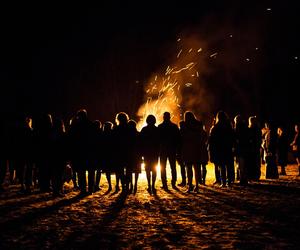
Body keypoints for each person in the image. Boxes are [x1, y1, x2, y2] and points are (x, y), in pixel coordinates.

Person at [180, 111, 208, 193]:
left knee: (189, 168)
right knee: (196, 168)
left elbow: (182, 137)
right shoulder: (199, 125)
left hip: (188, 149)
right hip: (197, 149)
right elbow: (203, 136)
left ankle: (190, 186)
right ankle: (196, 186)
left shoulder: (184, 125)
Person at [208, 111, 235, 187]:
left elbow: (212, 140)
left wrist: (212, 149)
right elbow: (232, 137)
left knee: (222, 166)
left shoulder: (215, 127)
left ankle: (223, 182)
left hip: (219, 149)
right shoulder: (229, 126)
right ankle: (229, 182)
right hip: (227, 148)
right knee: (228, 165)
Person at [158, 112, 180, 190]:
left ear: (163, 117)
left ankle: (164, 183)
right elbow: (178, 139)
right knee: (173, 167)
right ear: (169, 117)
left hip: (163, 150)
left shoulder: (160, 127)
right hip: (172, 149)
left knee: (162, 167)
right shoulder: (174, 126)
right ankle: (173, 183)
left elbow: (158, 140)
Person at [140, 115, 160, 194]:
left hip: (146, 153)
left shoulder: (144, 129)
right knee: (154, 169)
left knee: (148, 169)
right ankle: (153, 185)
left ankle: (149, 185)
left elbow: (141, 141)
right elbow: (159, 141)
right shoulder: (157, 129)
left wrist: (141, 152)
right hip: (155, 152)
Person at [234, 115, 250, 186]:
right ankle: (245, 179)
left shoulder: (237, 128)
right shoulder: (246, 127)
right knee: (244, 165)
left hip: (240, 149)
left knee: (240, 165)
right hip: (245, 149)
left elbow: (236, 138)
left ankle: (241, 179)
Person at [127, 120, 141, 194]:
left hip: (129, 155)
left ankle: (131, 185)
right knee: (136, 171)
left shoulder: (127, 135)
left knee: (129, 171)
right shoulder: (138, 134)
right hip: (137, 155)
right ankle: (135, 184)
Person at [248, 116, 262, 181]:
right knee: (256, 162)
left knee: (253, 162)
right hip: (256, 148)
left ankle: (253, 176)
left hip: (252, 148)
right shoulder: (258, 129)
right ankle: (256, 176)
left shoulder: (251, 129)